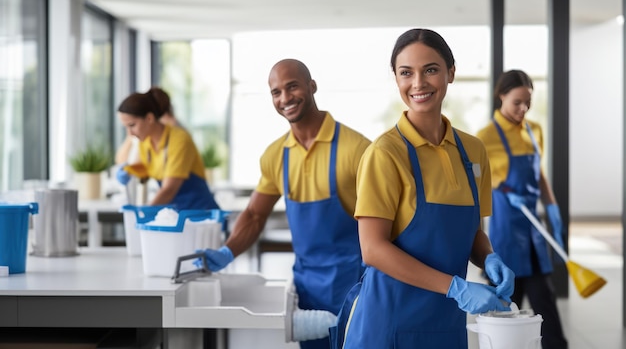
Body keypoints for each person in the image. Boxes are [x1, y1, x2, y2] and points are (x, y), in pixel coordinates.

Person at [338, 28, 515, 349]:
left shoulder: (473, 151)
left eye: (430, 70)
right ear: (396, 78)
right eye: (406, 73)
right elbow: (373, 249)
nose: (418, 83)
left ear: (451, 73)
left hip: (445, 326)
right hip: (387, 325)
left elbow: (470, 231)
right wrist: (456, 288)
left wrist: (489, 257)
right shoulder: (385, 153)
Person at [195, 59, 371, 349]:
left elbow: (388, 220)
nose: (285, 98)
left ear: (312, 86)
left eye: (292, 87)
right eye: (276, 92)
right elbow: (254, 214)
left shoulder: (357, 149)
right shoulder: (276, 155)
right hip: (306, 287)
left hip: (356, 286)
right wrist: (227, 252)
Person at [476, 69, 568, 349]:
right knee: (506, 310)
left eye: (528, 102)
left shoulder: (534, 129)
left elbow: (539, 174)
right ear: (501, 96)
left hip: (534, 229)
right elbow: (480, 184)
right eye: (517, 102)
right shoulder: (485, 136)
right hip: (505, 228)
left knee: (546, 307)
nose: (523, 108)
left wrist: (552, 210)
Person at [115, 87, 220, 211]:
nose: (130, 133)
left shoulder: (179, 139)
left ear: (149, 118)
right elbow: (147, 170)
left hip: (201, 216)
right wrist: (129, 171)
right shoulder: (145, 142)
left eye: (132, 125)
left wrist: (144, 213)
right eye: (126, 127)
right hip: (176, 214)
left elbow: (169, 190)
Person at [115, 86, 180, 165]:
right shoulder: (144, 137)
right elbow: (122, 161)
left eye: (132, 125)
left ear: (150, 118)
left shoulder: (176, 136)